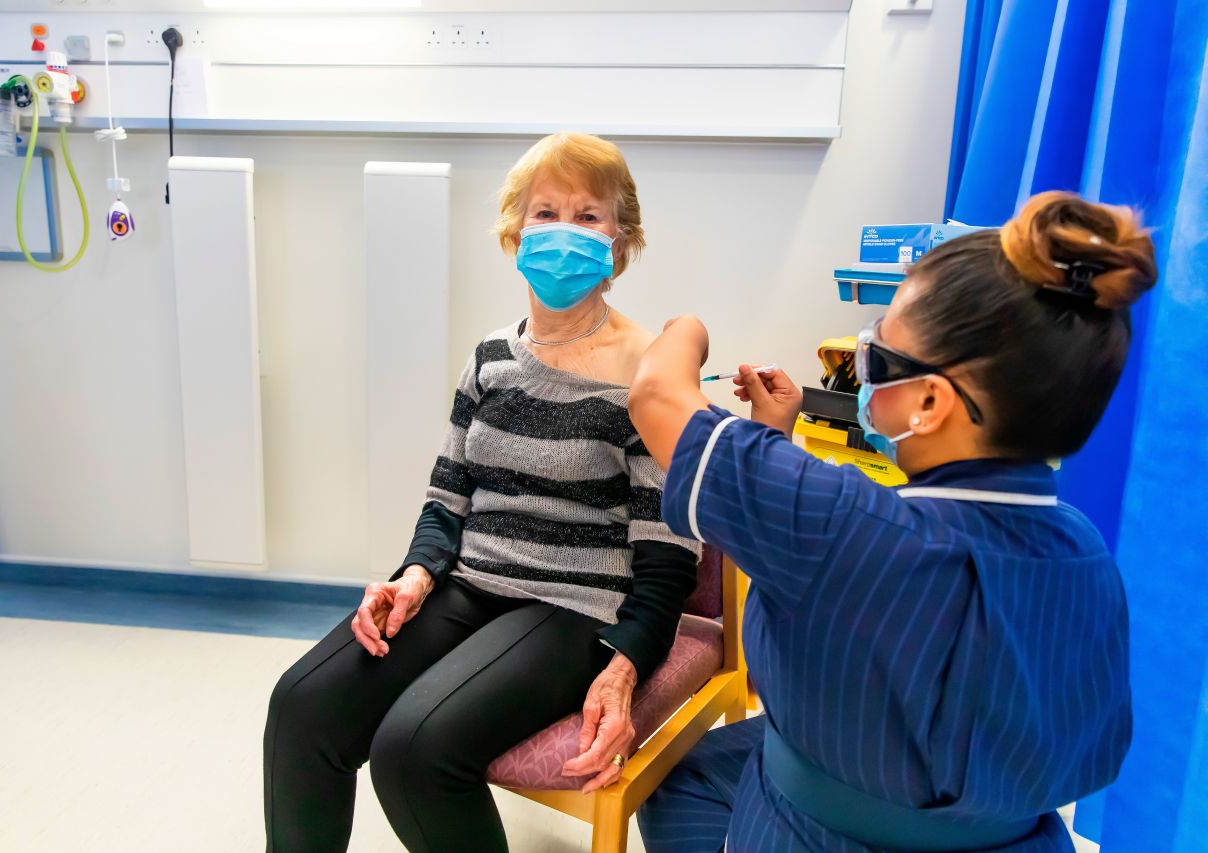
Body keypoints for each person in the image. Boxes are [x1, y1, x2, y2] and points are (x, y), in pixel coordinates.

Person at [628, 192, 1152, 851]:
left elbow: (655, 395)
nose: (860, 377)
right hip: (1013, 828)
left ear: (931, 401)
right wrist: (777, 440)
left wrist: (687, 325)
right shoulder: (1085, 550)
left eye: (876, 361)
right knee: (707, 763)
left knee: (680, 775)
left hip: (818, 832)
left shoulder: (842, 523)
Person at [262, 132, 700, 853]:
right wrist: (414, 574)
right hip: (470, 586)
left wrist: (626, 665)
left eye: (589, 216)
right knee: (304, 705)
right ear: (513, 232)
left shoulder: (648, 370)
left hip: (573, 608)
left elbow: (667, 553)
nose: (565, 230)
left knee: (414, 751)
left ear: (621, 242)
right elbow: (449, 491)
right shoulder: (492, 355)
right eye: (546, 211)